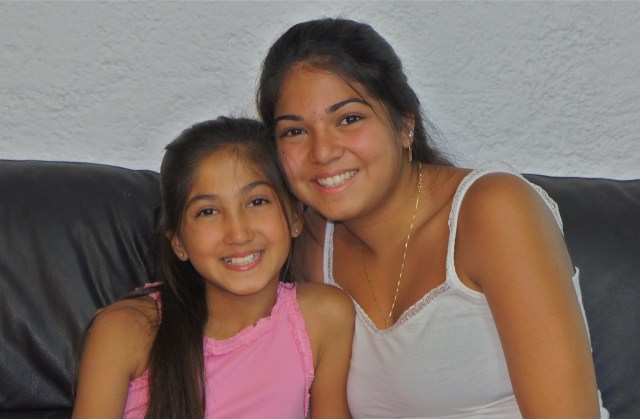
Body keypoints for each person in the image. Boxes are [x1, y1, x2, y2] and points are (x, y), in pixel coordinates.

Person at [257, 18, 609, 418]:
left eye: (349, 119)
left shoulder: (494, 210)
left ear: (404, 123)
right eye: (294, 132)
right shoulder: (310, 245)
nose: (322, 152)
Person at [72, 117, 354, 419]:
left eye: (257, 202)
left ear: (296, 217)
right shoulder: (126, 332)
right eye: (208, 211)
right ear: (178, 242)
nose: (238, 234)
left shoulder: (323, 318)